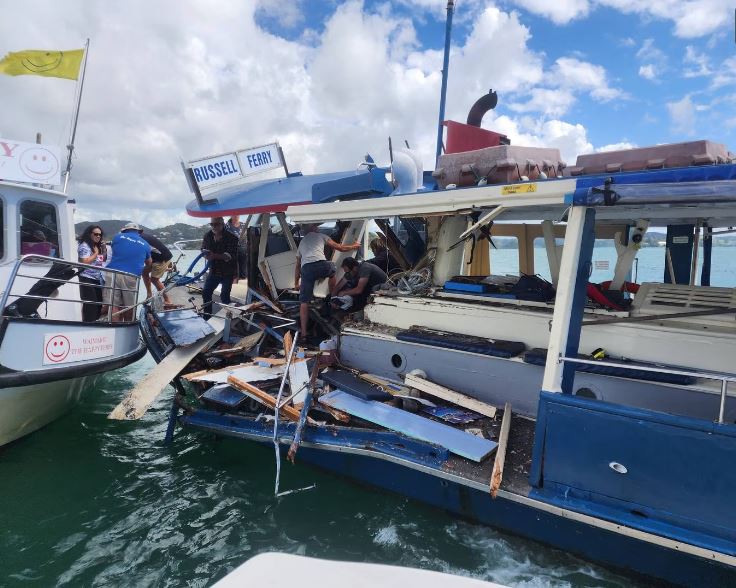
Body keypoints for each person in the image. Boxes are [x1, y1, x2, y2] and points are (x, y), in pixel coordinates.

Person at [294, 222, 360, 336]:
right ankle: (332, 296)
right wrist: (354, 246)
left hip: (307, 269)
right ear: (313, 228)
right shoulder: (321, 236)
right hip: (321, 266)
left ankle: (304, 333)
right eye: (316, 226)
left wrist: (296, 282)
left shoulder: (302, 242)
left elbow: (297, 265)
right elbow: (340, 248)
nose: (318, 228)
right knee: (332, 269)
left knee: (304, 303)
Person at [104, 222, 152, 322]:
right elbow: (149, 263)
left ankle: (114, 327)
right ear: (138, 232)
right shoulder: (146, 244)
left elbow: (114, 250)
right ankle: (127, 325)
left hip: (112, 273)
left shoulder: (117, 237)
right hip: (131, 275)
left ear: (124, 230)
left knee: (113, 304)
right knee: (129, 305)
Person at [201, 216, 239, 317]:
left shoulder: (232, 238)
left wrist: (214, 256)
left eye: (216, 224)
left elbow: (230, 256)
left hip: (227, 271)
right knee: (206, 292)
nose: (214, 226)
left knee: (225, 296)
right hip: (214, 270)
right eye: (212, 224)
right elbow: (203, 249)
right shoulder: (207, 235)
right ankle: (207, 317)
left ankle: (228, 319)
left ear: (222, 224)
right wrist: (205, 254)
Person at [77, 224, 108, 322]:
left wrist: (103, 250)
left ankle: (94, 322)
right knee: (91, 304)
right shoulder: (85, 246)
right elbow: (84, 261)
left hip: (96, 278)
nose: (98, 236)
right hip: (86, 277)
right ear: (90, 234)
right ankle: (88, 324)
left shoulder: (95, 246)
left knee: (98, 304)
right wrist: (95, 253)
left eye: (100, 235)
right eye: (96, 234)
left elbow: (102, 260)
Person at [138, 230, 174, 305]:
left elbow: (146, 258)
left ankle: (167, 300)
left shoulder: (140, 240)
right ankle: (149, 294)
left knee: (154, 279)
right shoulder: (143, 236)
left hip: (162, 259)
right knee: (144, 272)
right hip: (159, 257)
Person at [226, 215, 248, 279]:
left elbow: (248, 237)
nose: (236, 215)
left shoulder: (244, 225)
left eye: (238, 214)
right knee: (233, 273)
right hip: (231, 252)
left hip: (244, 252)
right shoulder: (226, 227)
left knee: (244, 271)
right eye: (234, 214)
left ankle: (243, 281)